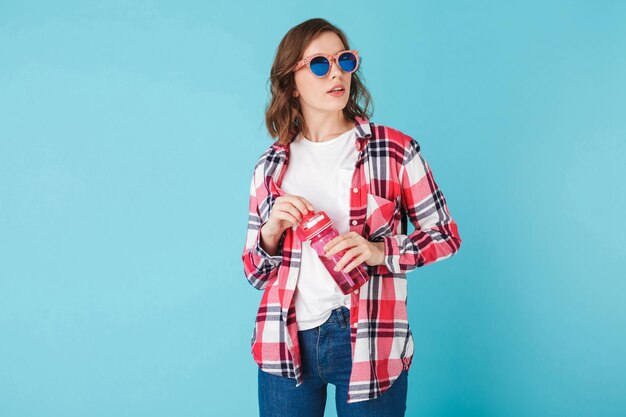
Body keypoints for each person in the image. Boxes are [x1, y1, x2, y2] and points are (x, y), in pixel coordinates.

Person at [241, 18, 462, 417]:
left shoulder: (394, 150)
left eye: (344, 60)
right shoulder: (270, 166)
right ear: (291, 81)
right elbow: (255, 273)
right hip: (285, 341)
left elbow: (446, 235)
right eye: (320, 64)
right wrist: (271, 232)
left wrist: (379, 251)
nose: (337, 72)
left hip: (367, 340)